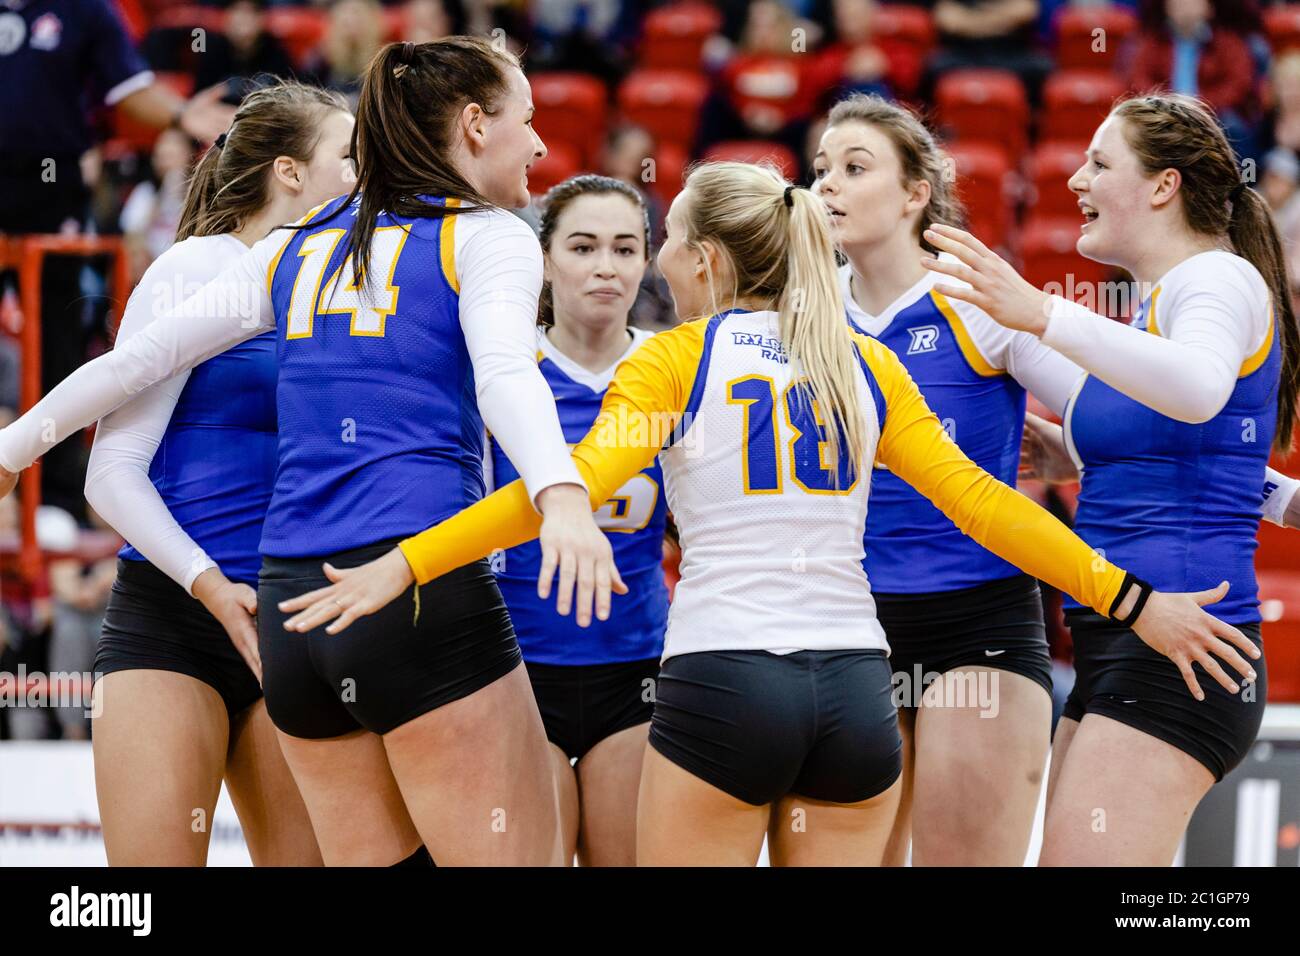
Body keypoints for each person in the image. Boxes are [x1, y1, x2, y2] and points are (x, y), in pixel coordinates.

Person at [276, 161, 1259, 867]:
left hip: (722, 680)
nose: (654, 258)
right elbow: (987, 506)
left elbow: (556, 488)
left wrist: (402, 562)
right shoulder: (861, 361)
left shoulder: (676, 357)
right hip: (855, 692)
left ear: (703, 258)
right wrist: (1133, 601)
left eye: (662, 241)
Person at [0, 37, 616, 866]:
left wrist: (12, 450)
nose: (541, 144)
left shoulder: (298, 245)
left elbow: (134, 362)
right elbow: (505, 374)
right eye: (527, 120)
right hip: (407, 579)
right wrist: (563, 496)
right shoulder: (487, 233)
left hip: (292, 602)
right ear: (473, 125)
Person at [921, 92, 1298, 864]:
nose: (1076, 181)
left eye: (1100, 163)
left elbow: (1197, 390)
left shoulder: (1215, 281)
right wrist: (1081, 450)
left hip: (1184, 645)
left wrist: (1041, 313)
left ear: (1163, 186)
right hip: (1122, 639)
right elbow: (1202, 451)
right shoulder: (1156, 303)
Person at [80, 81, 353, 865]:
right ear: (290, 172)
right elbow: (112, 472)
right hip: (175, 616)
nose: (363, 175)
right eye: (347, 156)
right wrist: (208, 584)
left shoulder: (347, 281)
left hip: (301, 617)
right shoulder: (193, 268)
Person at [489, 174, 666, 866]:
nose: (605, 267)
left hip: (637, 668)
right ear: (544, 258)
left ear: (647, 260)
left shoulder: (672, 369)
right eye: (583, 246)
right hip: (514, 672)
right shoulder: (503, 371)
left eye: (625, 249)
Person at [0, 0, 233, 519]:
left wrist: (178, 114)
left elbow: (129, 89)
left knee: (57, 346)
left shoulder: (86, 10)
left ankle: (55, 496)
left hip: (48, 194)